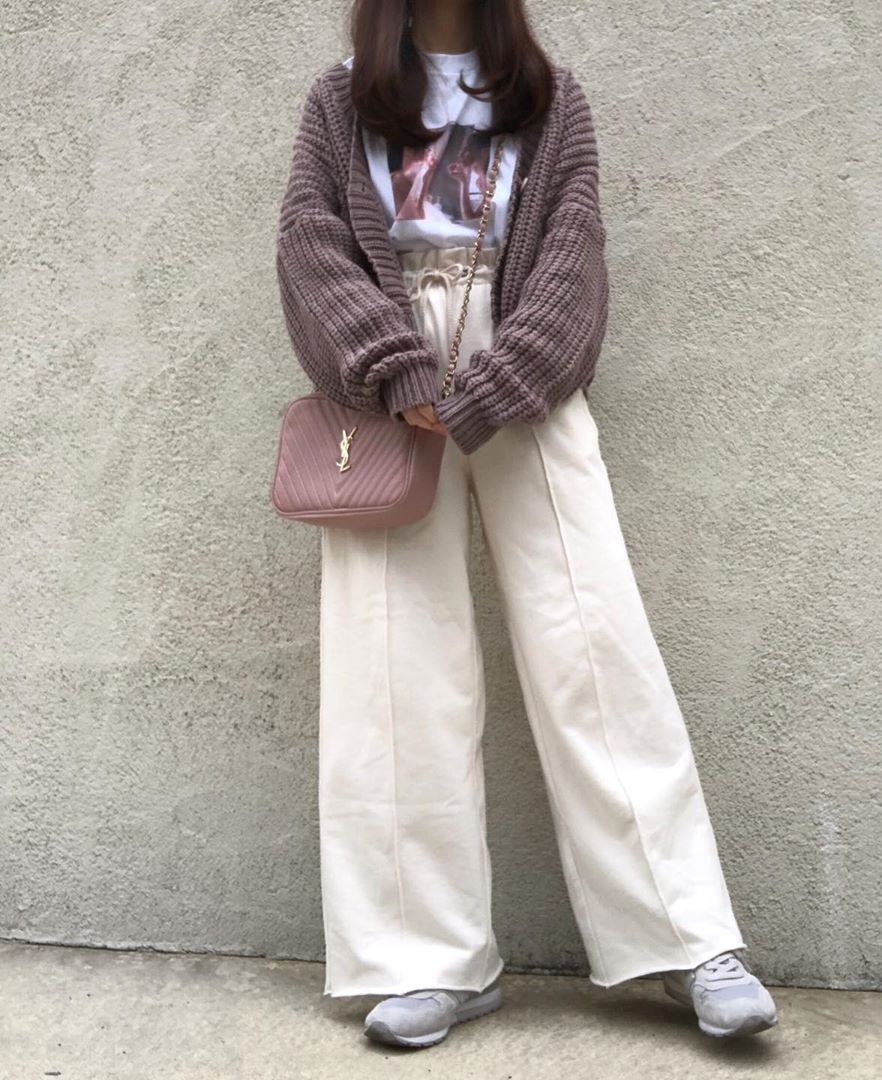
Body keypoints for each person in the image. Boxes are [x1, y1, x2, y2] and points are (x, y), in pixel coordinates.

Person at [275, 0, 778, 1050]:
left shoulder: (550, 99)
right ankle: (425, 959)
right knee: (391, 668)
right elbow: (313, 247)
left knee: (594, 644)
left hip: (524, 376)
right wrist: (393, 366)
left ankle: (687, 937)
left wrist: (505, 377)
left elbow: (572, 253)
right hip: (385, 390)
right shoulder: (339, 101)